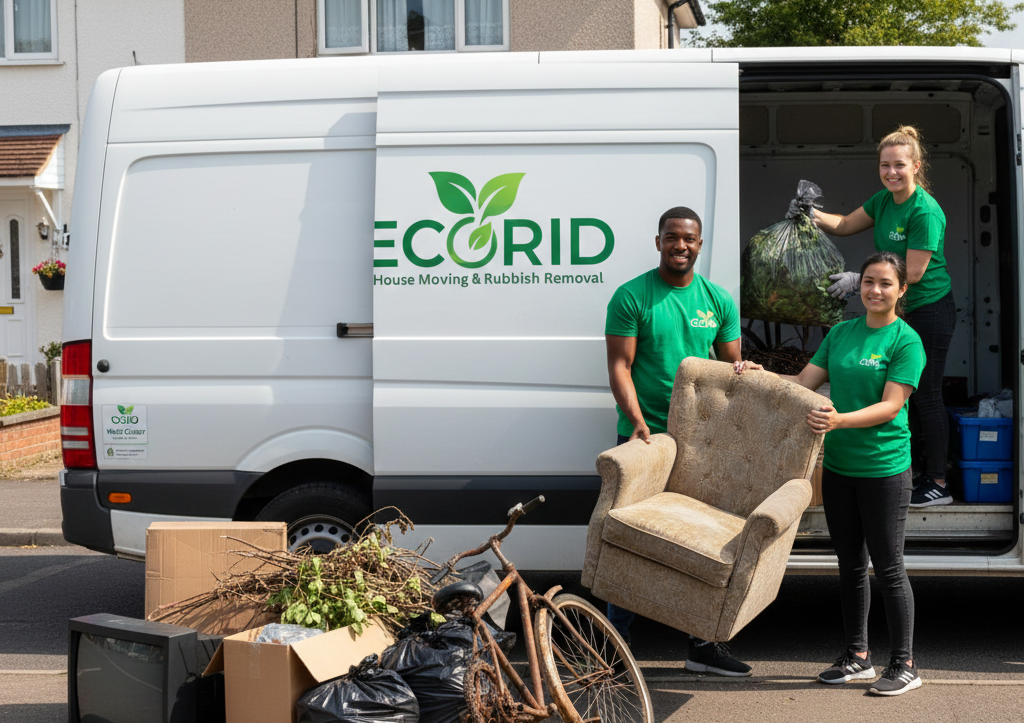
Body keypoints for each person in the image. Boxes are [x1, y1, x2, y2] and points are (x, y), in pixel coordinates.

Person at [736, 251, 926, 696]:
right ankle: (857, 656)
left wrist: (838, 420)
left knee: (889, 568)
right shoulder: (841, 333)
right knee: (850, 565)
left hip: (883, 469)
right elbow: (803, 383)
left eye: (885, 283)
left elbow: (891, 406)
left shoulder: (906, 341)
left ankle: (905, 664)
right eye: (869, 281)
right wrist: (762, 375)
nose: (875, 290)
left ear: (901, 290)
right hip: (839, 467)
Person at [603, 205, 750, 677]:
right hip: (644, 437)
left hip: (701, 440)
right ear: (659, 241)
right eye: (671, 237)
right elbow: (620, 366)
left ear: (700, 245)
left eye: (688, 238)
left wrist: (744, 372)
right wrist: (636, 422)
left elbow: (729, 370)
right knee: (626, 537)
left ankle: (703, 645)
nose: (680, 245)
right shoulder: (632, 296)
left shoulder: (718, 300)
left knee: (703, 538)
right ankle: (614, 646)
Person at [814, 125, 955, 508]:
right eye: (885, 165)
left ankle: (938, 482)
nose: (891, 172)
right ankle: (910, 472)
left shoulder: (924, 210)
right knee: (898, 392)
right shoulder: (883, 201)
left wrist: (861, 279)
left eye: (899, 165)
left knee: (926, 394)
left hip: (929, 309)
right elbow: (845, 224)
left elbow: (914, 273)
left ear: (916, 166)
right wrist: (811, 215)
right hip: (900, 308)